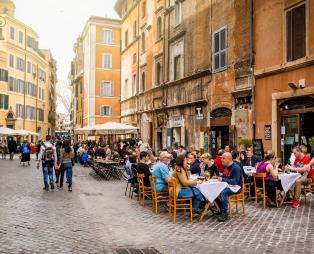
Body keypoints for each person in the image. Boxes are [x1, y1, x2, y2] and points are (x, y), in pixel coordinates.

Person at [212, 152, 242, 222]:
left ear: (229, 159)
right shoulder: (226, 166)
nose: (221, 159)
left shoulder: (236, 168)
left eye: (223, 158)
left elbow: (235, 181)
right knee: (215, 189)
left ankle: (224, 213)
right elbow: (225, 176)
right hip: (227, 185)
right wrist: (218, 177)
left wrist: (223, 179)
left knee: (223, 192)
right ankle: (219, 208)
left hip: (236, 187)